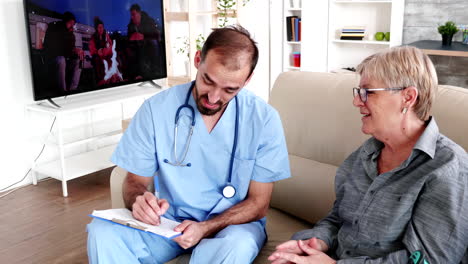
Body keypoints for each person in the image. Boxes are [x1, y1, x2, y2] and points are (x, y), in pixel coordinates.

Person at [87, 25, 291, 263]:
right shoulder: (155, 110)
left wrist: (205, 228)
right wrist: (139, 201)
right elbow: (135, 181)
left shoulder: (263, 120)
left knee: (238, 245)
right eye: (208, 80)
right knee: (102, 233)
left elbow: (259, 203)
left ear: (247, 80)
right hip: (167, 224)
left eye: (229, 89)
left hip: (230, 227)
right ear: (197, 60)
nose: (214, 97)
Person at [269, 46, 468, 264]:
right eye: (358, 92)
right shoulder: (365, 154)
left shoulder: (448, 167)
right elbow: (338, 218)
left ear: (408, 97)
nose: (357, 101)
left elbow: (430, 259)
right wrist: (318, 241)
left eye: (367, 92)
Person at [43, 11, 84, 92]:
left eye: (73, 23)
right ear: (65, 21)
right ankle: (63, 91)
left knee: (78, 61)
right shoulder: (54, 28)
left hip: (65, 60)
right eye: (70, 23)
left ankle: (73, 89)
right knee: (61, 59)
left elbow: (70, 50)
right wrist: (72, 50)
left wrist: (76, 51)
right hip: (52, 59)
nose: (72, 25)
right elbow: (51, 47)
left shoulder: (71, 35)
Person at [126, 3, 162, 80]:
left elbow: (157, 36)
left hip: (148, 47)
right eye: (131, 15)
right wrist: (131, 38)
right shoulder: (131, 25)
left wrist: (143, 36)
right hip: (137, 48)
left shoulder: (149, 21)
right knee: (129, 51)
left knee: (153, 43)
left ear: (139, 14)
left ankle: (154, 72)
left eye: (133, 15)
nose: (132, 17)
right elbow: (128, 38)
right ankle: (134, 75)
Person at [89, 17, 114, 86]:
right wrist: (97, 51)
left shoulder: (106, 35)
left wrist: (106, 50)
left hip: (105, 54)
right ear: (96, 28)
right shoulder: (93, 37)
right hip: (97, 55)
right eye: (99, 27)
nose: (101, 29)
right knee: (97, 60)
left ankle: (111, 78)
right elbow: (92, 49)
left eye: (102, 27)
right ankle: (100, 81)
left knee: (111, 59)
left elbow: (110, 45)